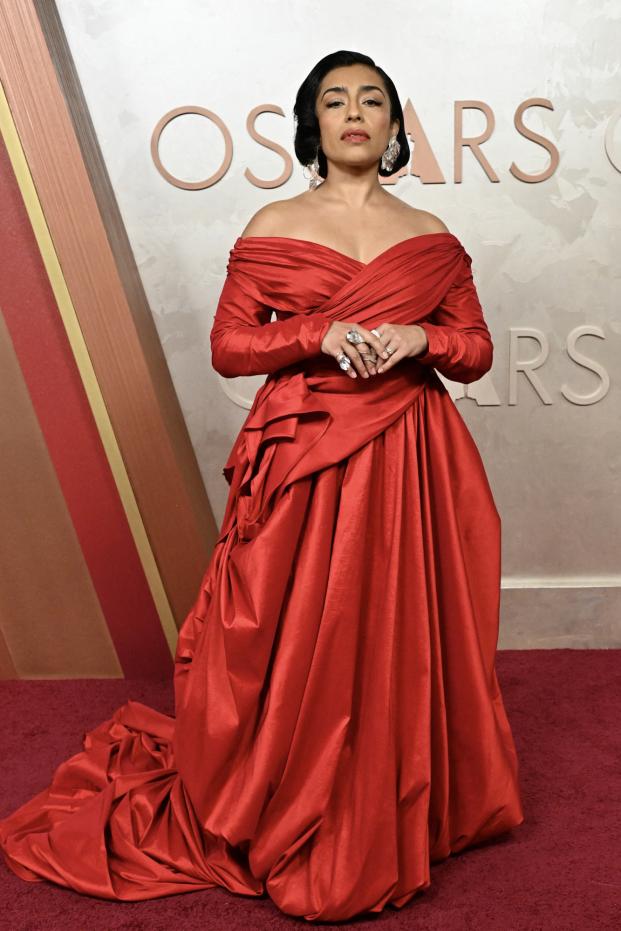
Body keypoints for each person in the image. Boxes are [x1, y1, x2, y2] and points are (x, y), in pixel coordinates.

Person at [0, 49, 524, 922]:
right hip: (306, 449)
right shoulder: (275, 219)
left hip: (407, 452)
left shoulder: (432, 235)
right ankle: (290, 790)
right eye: (334, 100)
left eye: (371, 100)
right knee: (285, 629)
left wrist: (416, 340)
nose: (353, 112)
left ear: (394, 126)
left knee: (392, 620)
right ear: (310, 124)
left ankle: (392, 797)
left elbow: (473, 348)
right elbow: (232, 345)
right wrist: (323, 331)